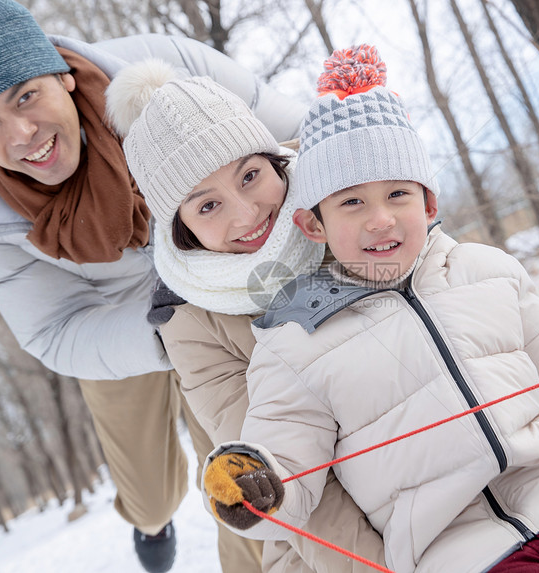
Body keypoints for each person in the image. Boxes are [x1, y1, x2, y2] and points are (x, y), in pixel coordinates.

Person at [200, 45, 539, 572]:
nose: (381, 219)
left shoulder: (486, 272)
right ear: (313, 224)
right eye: (352, 202)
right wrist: (257, 486)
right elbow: (291, 469)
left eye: (398, 195)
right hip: (455, 551)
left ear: (429, 202)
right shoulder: (292, 340)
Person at [0, 1, 307, 571]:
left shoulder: (163, 68)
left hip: (224, 295)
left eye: (26, 95)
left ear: (61, 74)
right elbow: (53, 329)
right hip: (116, 325)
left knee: (248, 482)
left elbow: (298, 133)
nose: (22, 135)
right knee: (150, 492)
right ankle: (151, 524)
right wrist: (169, 327)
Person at [104, 59, 387, 571]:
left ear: (277, 161)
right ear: (181, 229)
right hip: (335, 543)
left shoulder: (348, 204)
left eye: (250, 176)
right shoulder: (190, 326)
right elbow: (284, 482)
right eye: (207, 206)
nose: (247, 214)